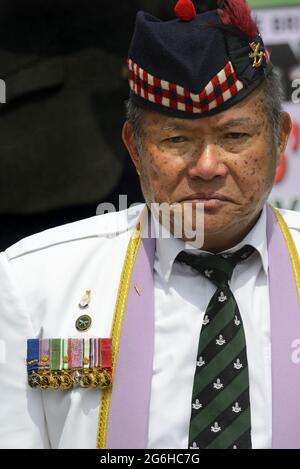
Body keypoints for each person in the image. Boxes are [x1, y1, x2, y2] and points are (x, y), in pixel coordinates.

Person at [0, 0, 299, 449]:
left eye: (234, 136)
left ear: (280, 137)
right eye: (177, 139)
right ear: (135, 149)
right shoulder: (34, 283)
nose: (207, 165)